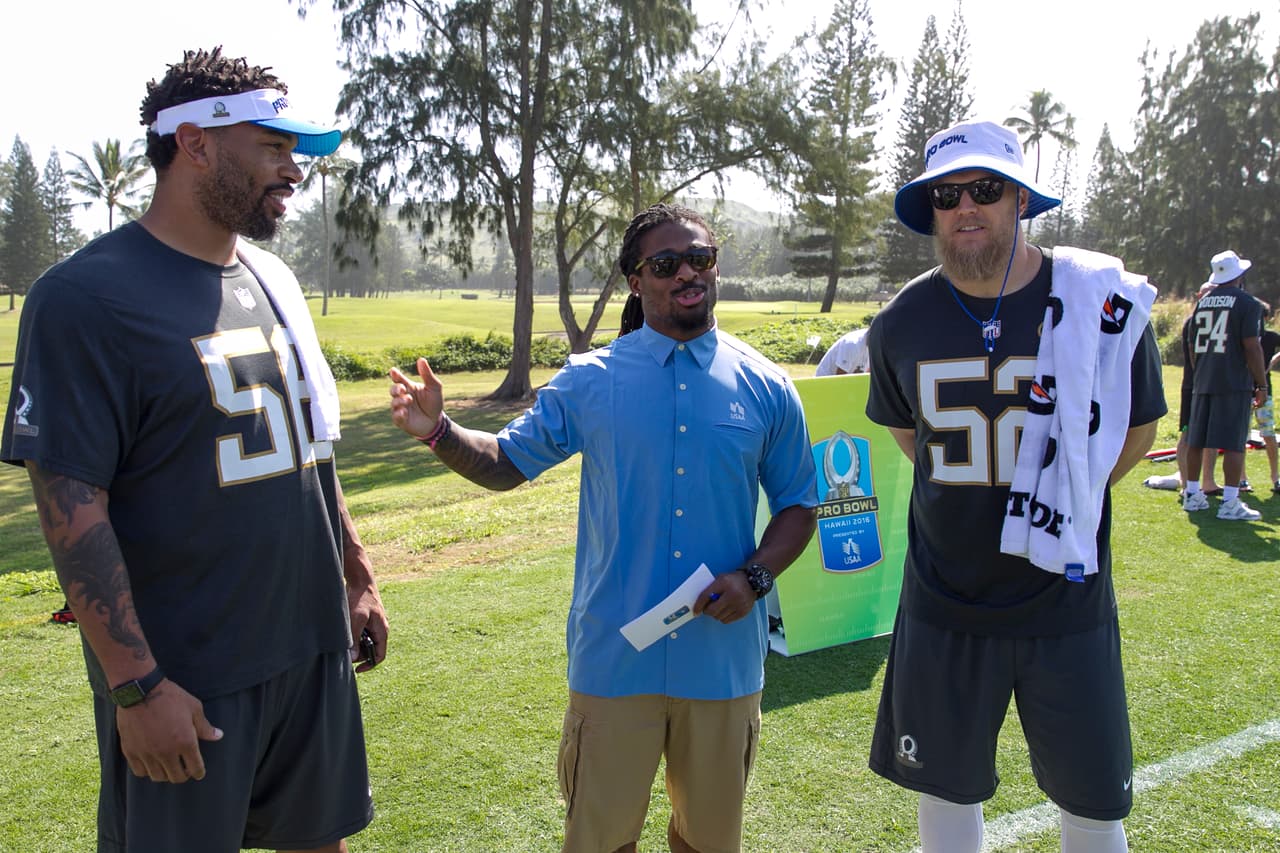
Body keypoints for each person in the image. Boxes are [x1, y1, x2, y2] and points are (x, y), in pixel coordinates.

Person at [1, 47, 387, 853]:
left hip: (306, 652)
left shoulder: (269, 278)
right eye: (274, 146)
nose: (294, 170)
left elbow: (310, 449)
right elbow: (71, 503)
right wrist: (136, 686)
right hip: (189, 677)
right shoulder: (84, 298)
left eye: (296, 153)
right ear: (196, 142)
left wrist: (357, 574)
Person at [389, 203, 818, 853]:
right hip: (615, 660)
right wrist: (439, 431)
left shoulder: (767, 384)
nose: (686, 274)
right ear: (635, 280)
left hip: (723, 663)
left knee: (707, 843)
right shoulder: (591, 380)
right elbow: (507, 463)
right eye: (666, 263)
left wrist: (755, 578)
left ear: (715, 268)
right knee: (601, 842)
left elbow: (798, 504)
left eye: (699, 258)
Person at [865, 120, 1166, 853]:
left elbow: (1137, 431)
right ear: (930, 209)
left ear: (1020, 200)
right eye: (947, 193)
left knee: (1094, 803)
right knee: (944, 795)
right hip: (946, 600)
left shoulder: (1100, 302)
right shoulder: (900, 322)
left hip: (1064, 595)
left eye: (985, 189)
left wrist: (1064, 491)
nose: (966, 206)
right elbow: (916, 440)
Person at [1182, 250, 1268, 520]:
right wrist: (1262, 384)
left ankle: (1192, 495)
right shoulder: (1247, 303)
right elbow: (1251, 346)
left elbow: (1192, 346)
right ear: (1239, 275)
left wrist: (1201, 374)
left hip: (1204, 379)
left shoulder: (1203, 302)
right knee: (1234, 443)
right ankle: (1230, 501)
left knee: (1196, 440)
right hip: (1233, 381)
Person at [1256, 302, 1280, 493]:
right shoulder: (1244, 335)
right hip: (1242, 391)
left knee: (1268, 434)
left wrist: (1272, 362)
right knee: (1240, 437)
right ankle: (1242, 480)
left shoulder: (1271, 337)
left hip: (1265, 391)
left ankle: (1275, 477)